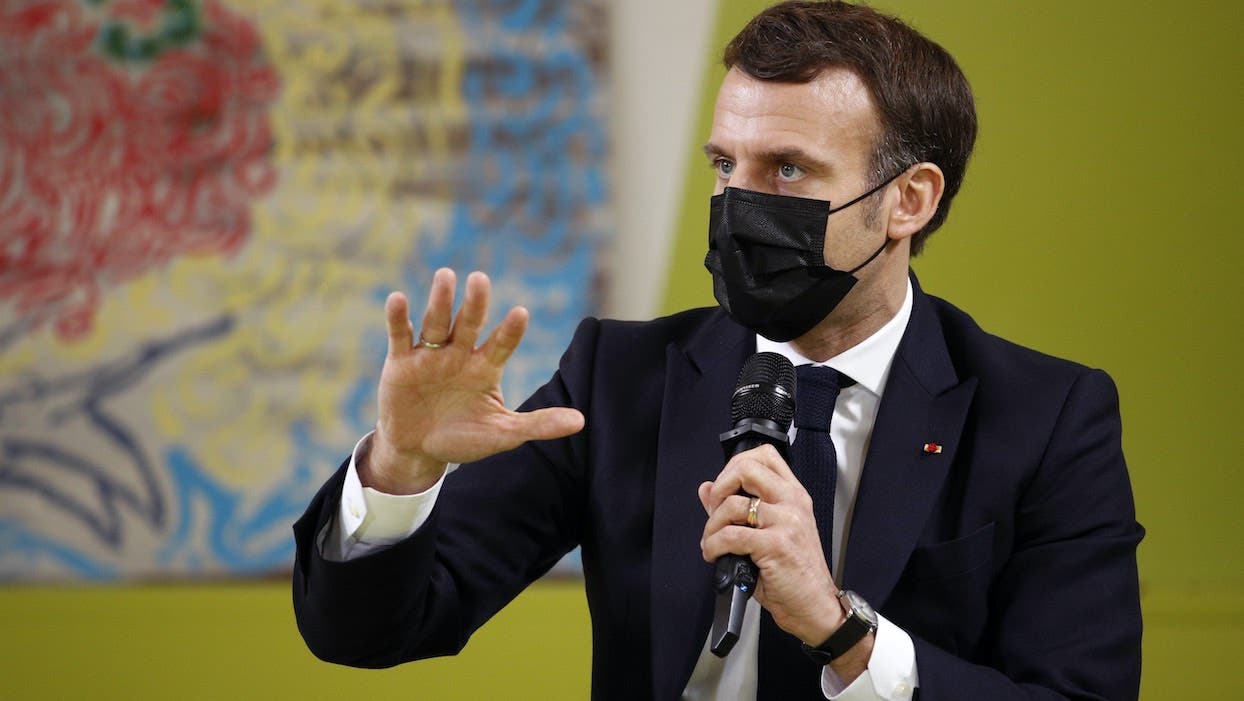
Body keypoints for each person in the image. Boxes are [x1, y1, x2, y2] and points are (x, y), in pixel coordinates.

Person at [292, 2, 1143, 699]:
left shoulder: (1046, 417)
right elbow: (368, 634)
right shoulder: (618, 379)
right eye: (724, 164)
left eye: (786, 171)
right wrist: (399, 469)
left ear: (908, 200)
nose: (737, 202)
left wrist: (841, 630)